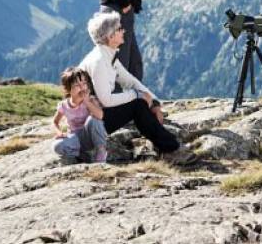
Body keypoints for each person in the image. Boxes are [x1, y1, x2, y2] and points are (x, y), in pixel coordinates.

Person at [79, 11, 193, 164]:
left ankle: (163, 146)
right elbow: (106, 100)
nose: (123, 31)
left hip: (96, 116)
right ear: (110, 37)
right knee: (137, 106)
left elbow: (130, 81)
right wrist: (138, 96)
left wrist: (154, 103)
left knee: (140, 103)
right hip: (90, 125)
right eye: (119, 29)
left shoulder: (107, 55)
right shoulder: (99, 61)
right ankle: (171, 150)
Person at [52, 67, 108, 164]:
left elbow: (100, 116)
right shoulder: (64, 105)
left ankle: (101, 151)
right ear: (68, 89)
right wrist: (58, 132)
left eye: (84, 83)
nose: (82, 87)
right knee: (57, 146)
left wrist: (86, 102)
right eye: (77, 85)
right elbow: (55, 121)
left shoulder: (91, 100)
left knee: (93, 119)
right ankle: (81, 155)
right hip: (76, 139)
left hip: (91, 136)